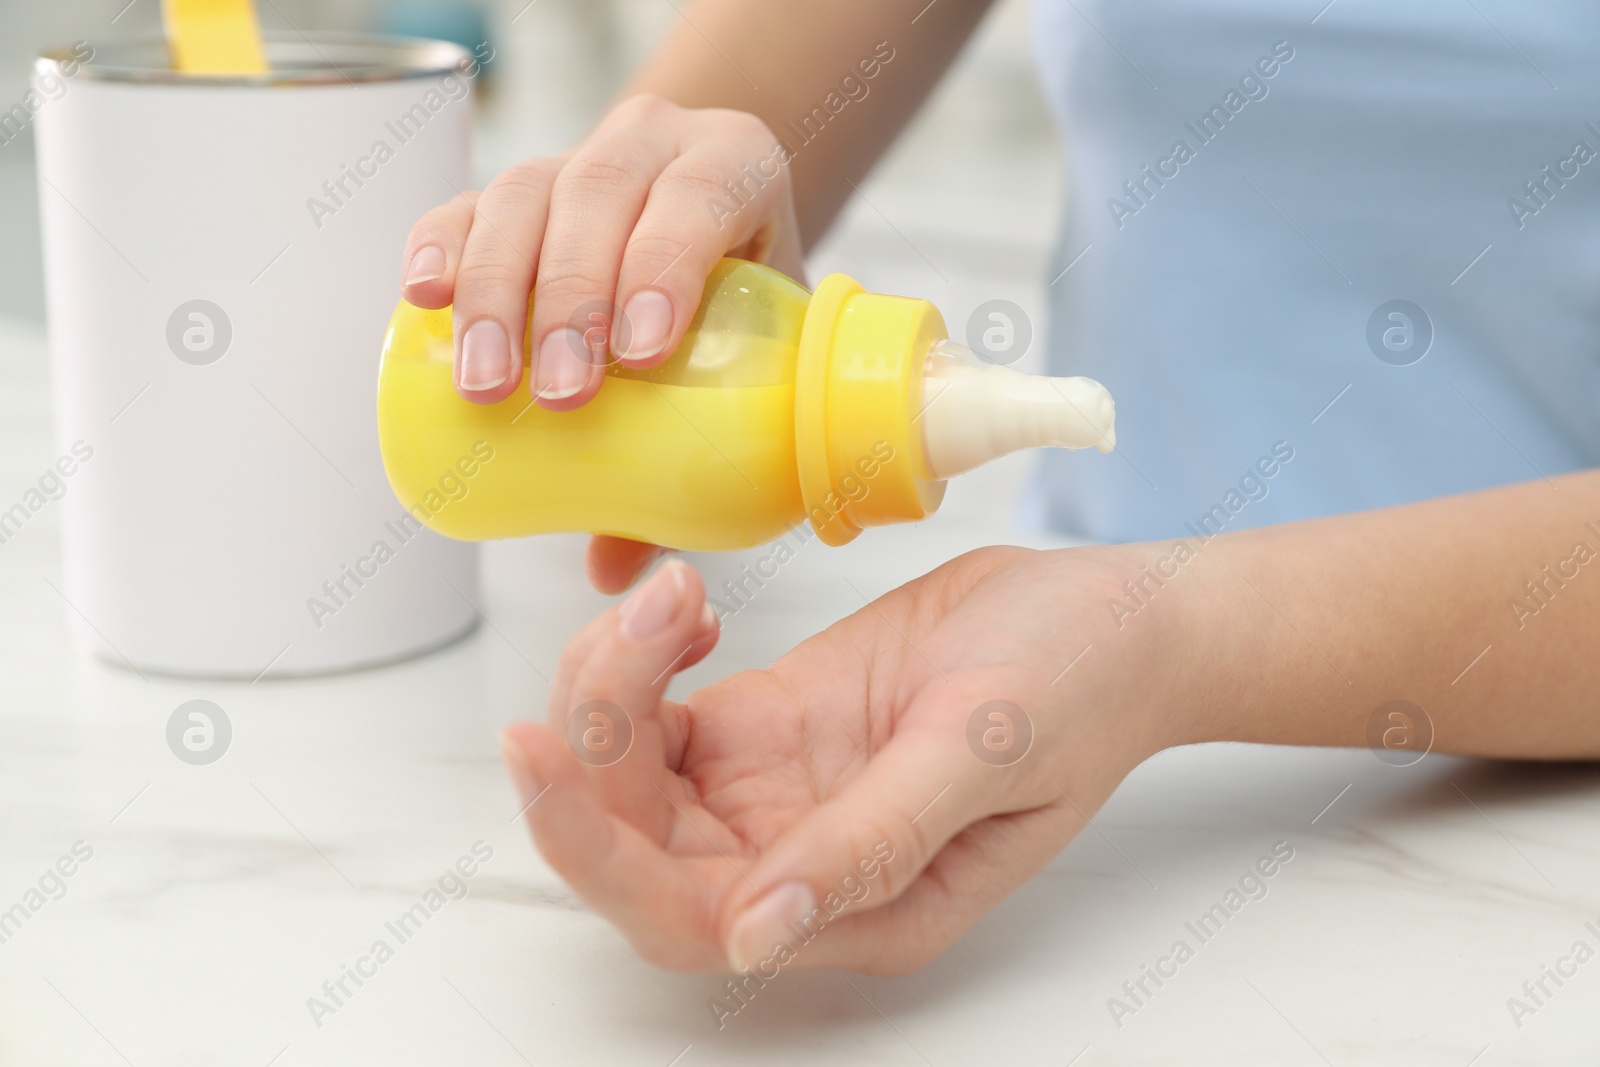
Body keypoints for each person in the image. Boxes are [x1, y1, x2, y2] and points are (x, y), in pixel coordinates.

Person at [399, 0, 1600, 973]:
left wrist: (1170, 632)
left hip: (1537, 849)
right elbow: (729, 120)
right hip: (1097, 796)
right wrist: (644, 242)